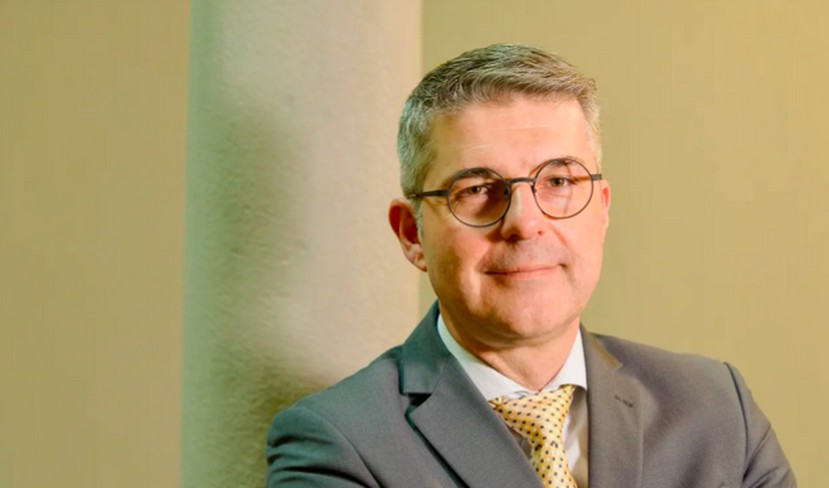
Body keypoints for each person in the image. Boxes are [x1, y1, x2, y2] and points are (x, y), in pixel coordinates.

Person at [266, 44, 796, 487]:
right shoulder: (338, 444)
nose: (525, 223)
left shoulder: (717, 409)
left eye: (559, 181)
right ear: (412, 234)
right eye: (477, 189)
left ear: (602, 210)